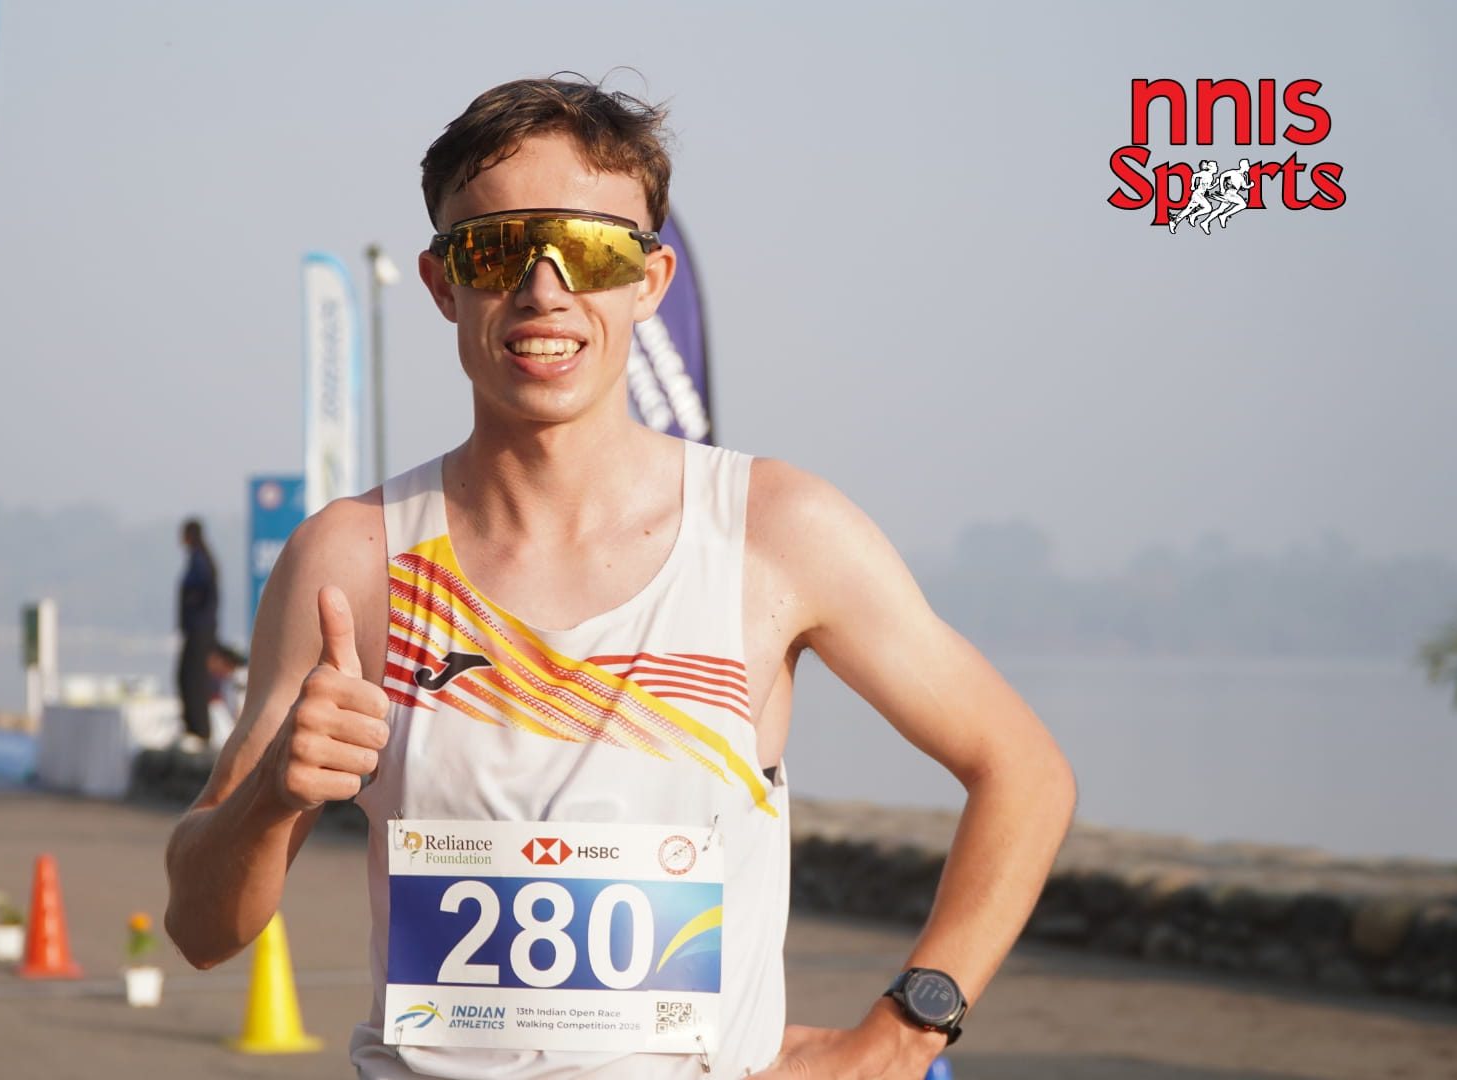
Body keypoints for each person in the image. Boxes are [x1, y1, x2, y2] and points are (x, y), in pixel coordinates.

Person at [165, 75, 1077, 1079]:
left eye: (592, 249)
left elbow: (1023, 773)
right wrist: (270, 799)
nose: (544, 290)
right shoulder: (352, 561)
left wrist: (904, 1032)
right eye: (498, 248)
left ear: (649, 279)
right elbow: (202, 931)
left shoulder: (775, 533)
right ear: (441, 282)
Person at [174, 517, 219, 750]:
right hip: (197, 629)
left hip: (200, 629)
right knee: (186, 676)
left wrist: (193, 612)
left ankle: (199, 730)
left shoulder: (201, 561)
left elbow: (201, 592)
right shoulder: (198, 558)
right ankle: (193, 727)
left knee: (193, 678)